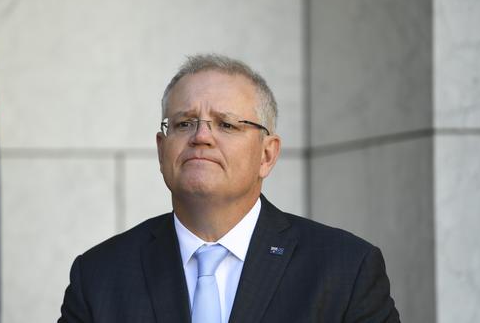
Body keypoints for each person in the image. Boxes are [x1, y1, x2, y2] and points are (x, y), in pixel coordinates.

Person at [58, 54, 399, 323]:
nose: (201, 137)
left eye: (226, 124)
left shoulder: (344, 269)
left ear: (267, 154)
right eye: (184, 123)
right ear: (162, 151)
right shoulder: (100, 275)